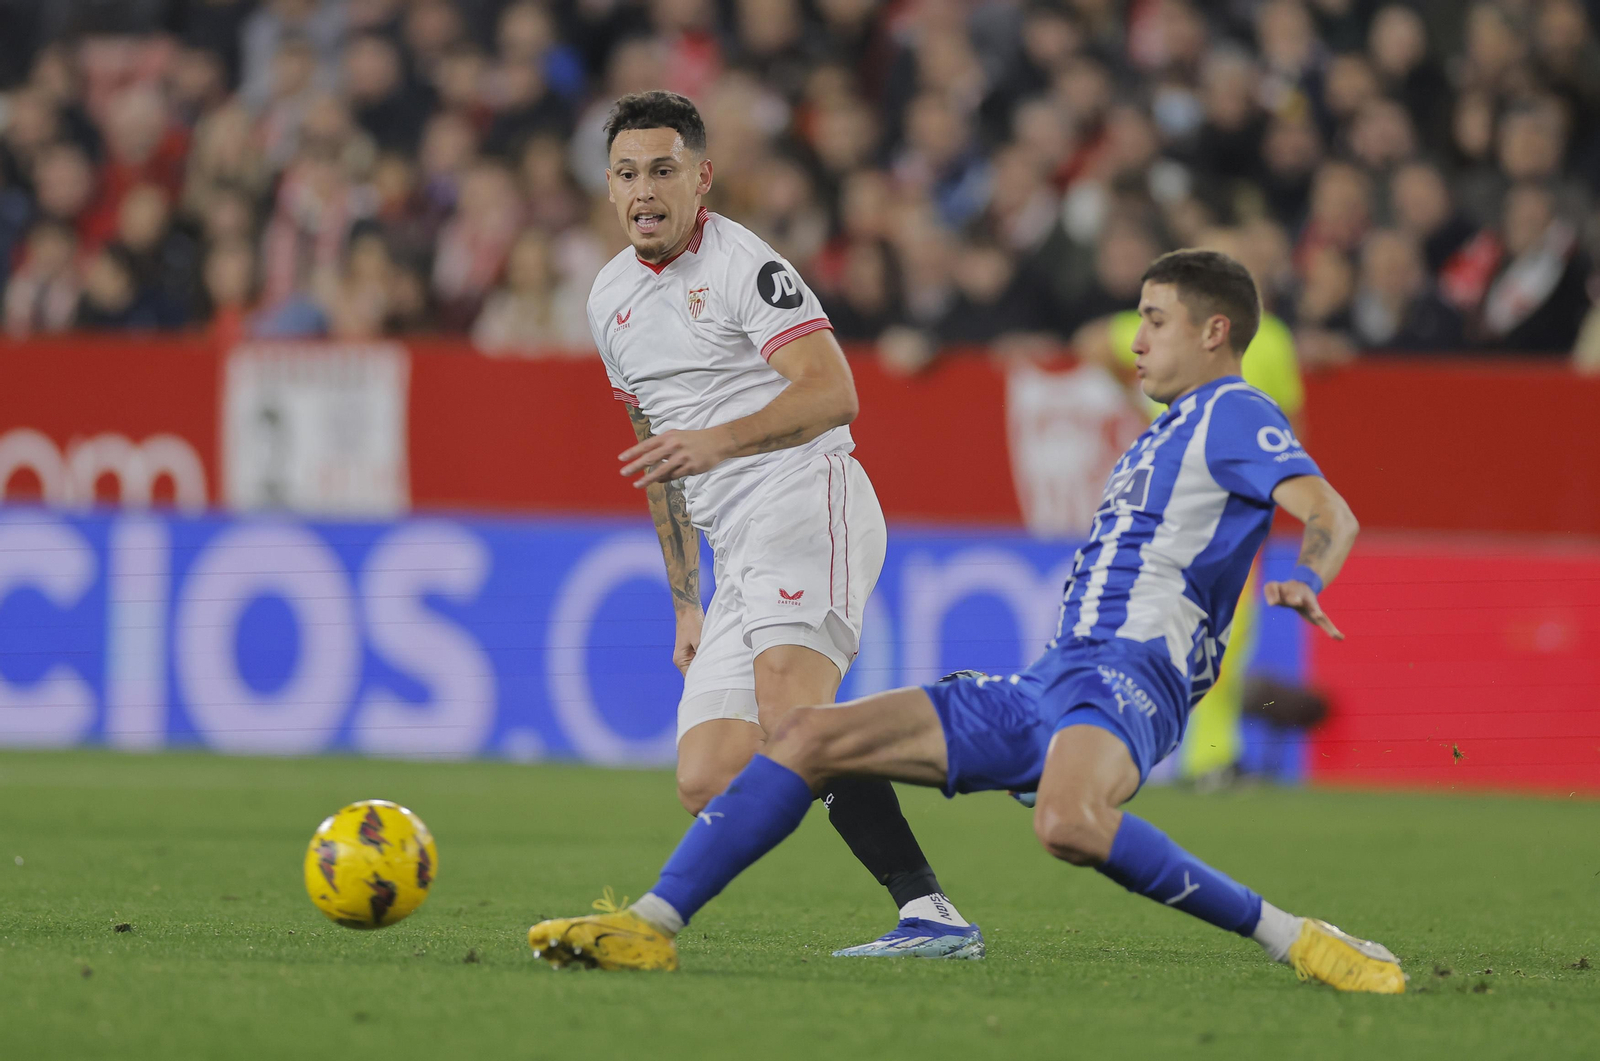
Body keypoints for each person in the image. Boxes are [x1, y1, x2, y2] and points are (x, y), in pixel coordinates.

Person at [529, 250, 1406, 995]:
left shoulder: (1234, 410)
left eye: (1155, 320)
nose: (1135, 339)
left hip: (1131, 678)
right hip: (1053, 680)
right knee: (806, 738)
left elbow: (1328, 509)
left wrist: (1307, 574)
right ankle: (650, 923)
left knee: (1068, 823)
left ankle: (1297, 938)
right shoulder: (1157, 434)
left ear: (1215, 332)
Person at [578, 91, 981, 959]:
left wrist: (717, 442)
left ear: (701, 177)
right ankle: (945, 732)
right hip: (735, 545)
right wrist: (687, 601)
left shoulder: (740, 264)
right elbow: (658, 463)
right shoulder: (609, 300)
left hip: (809, 497)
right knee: (710, 772)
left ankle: (931, 908)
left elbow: (835, 390)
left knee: (796, 721)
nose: (644, 190)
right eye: (626, 174)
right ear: (608, 189)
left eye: (663, 170)